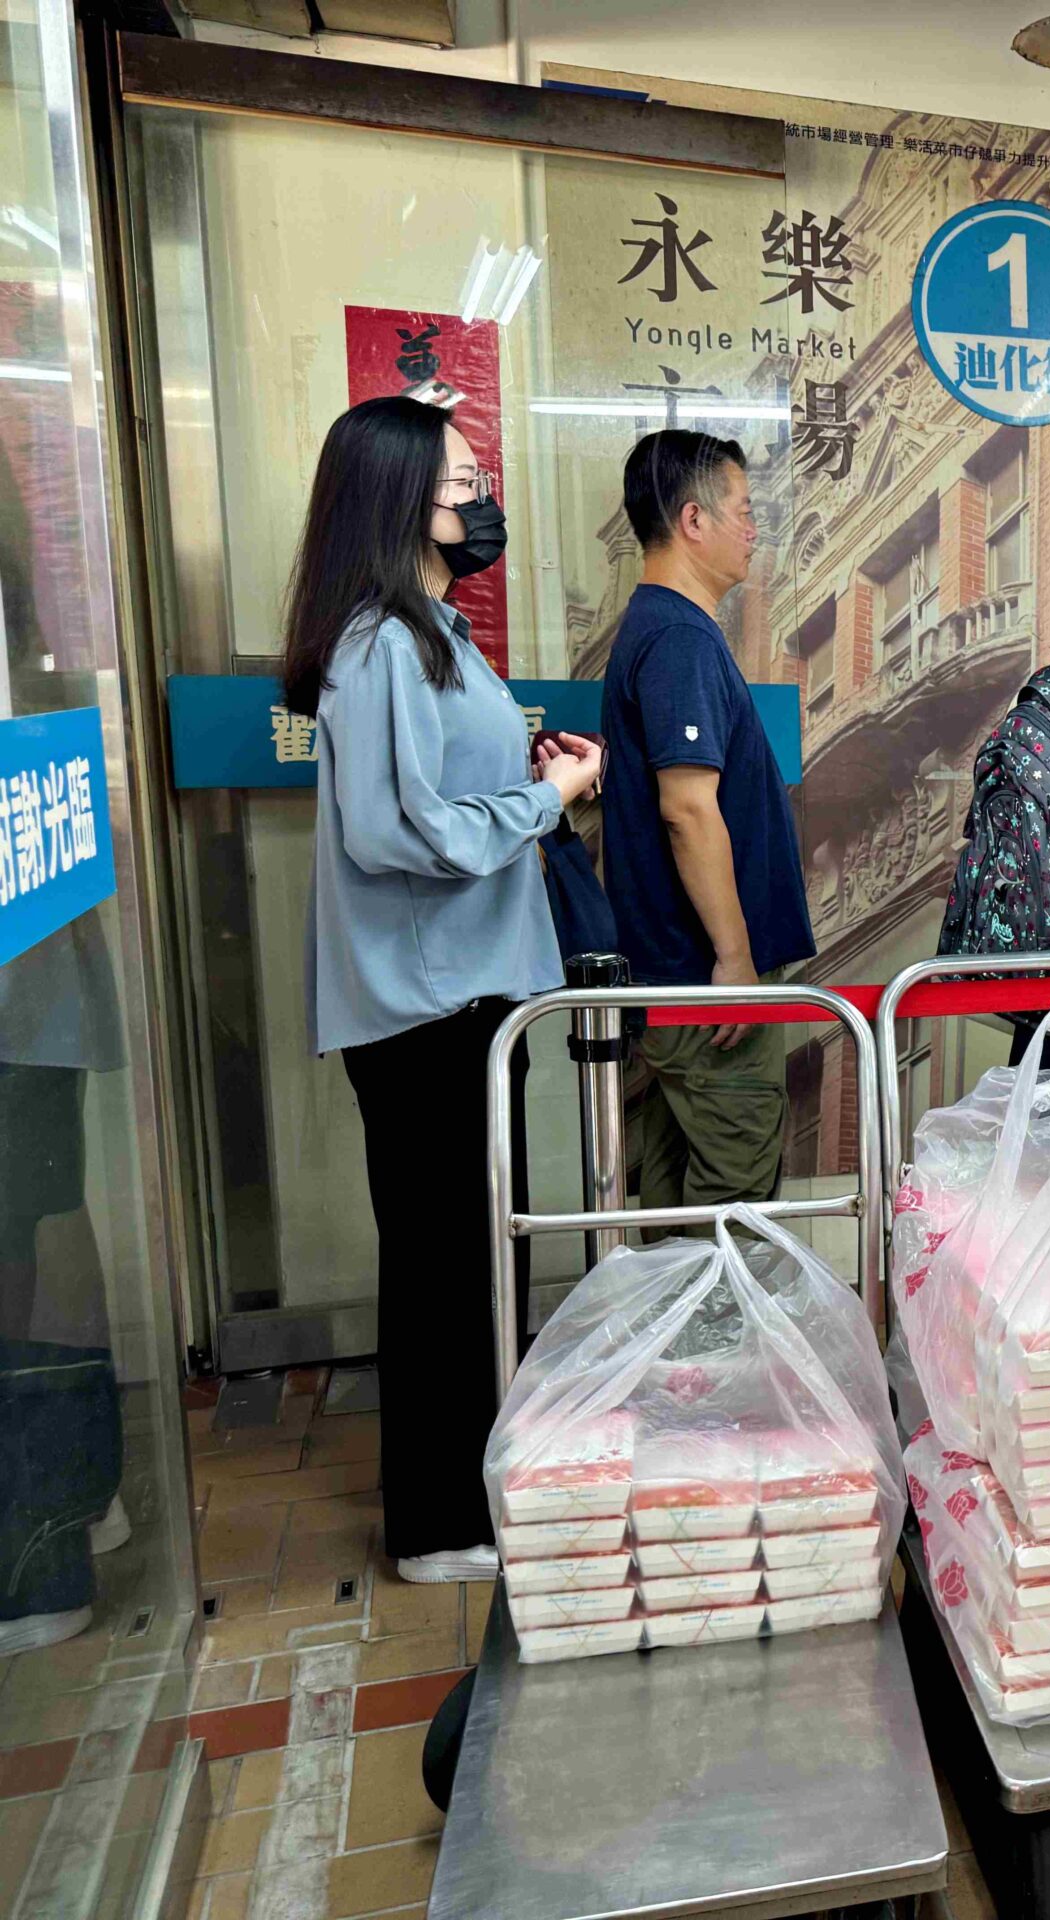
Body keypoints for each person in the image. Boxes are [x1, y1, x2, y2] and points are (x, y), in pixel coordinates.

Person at [284, 395, 603, 1584]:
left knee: (470, 1255)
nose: (480, 501)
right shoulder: (379, 644)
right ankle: (434, 1524)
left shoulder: (432, 631)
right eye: (459, 481)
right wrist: (546, 802)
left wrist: (522, 777)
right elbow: (394, 830)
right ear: (395, 498)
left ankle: (472, 1494)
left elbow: (430, 799)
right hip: (428, 1006)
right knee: (439, 1263)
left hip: (470, 990)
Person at [602, 430, 815, 1217]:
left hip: (678, 983)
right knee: (733, 1191)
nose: (755, 530)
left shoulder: (666, 629)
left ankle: (676, 1340)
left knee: (676, 1188)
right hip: (705, 982)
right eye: (745, 511)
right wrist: (732, 959)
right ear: (694, 521)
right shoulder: (681, 638)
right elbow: (688, 810)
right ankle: (719, 1340)